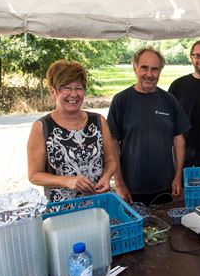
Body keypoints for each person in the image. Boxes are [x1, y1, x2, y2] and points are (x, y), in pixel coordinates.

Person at [107, 47, 191, 204]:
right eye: (144, 68)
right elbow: (112, 144)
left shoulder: (169, 100)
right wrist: (119, 183)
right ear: (135, 68)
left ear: (160, 71)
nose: (149, 74)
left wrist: (178, 177)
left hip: (165, 186)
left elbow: (179, 140)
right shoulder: (121, 101)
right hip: (131, 188)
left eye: (155, 69)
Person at [27, 60, 117, 202]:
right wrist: (66, 181)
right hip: (63, 210)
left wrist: (106, 177)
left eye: (79, 88)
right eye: (67, 88)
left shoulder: (99, 121)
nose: (74, 94)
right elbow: (34, 175)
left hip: (100, 203)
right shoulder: (42, 127)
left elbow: (111, 160)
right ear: (53, 91)